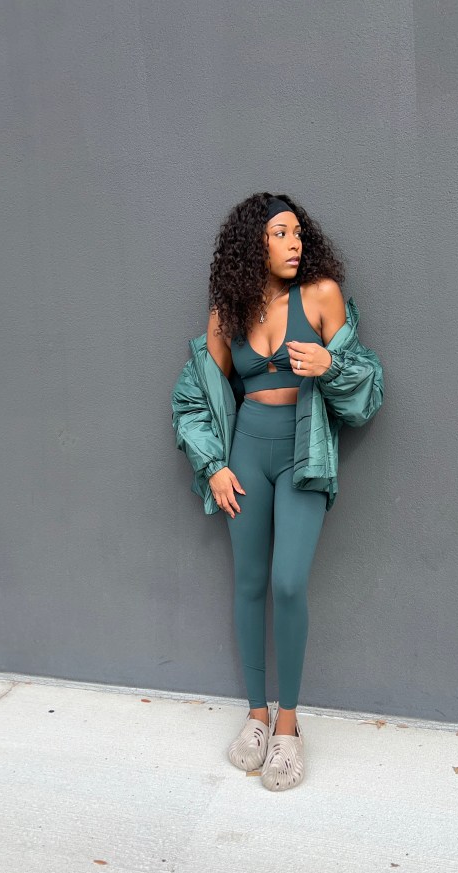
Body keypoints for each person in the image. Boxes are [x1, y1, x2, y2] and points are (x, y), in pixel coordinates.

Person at [171, 192, 383, 791]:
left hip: (302, 452)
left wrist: (330, 367)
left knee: (288, 582)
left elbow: (368, 390)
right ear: (253, 243)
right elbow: (193, 398)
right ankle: (257, 717)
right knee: (249, 583)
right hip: (246, 454)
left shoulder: (321, 296)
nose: (295, 243)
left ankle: (289, 726)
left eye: (298, 233)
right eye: (281, 233)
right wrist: (213, 465)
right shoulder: (228, 311)